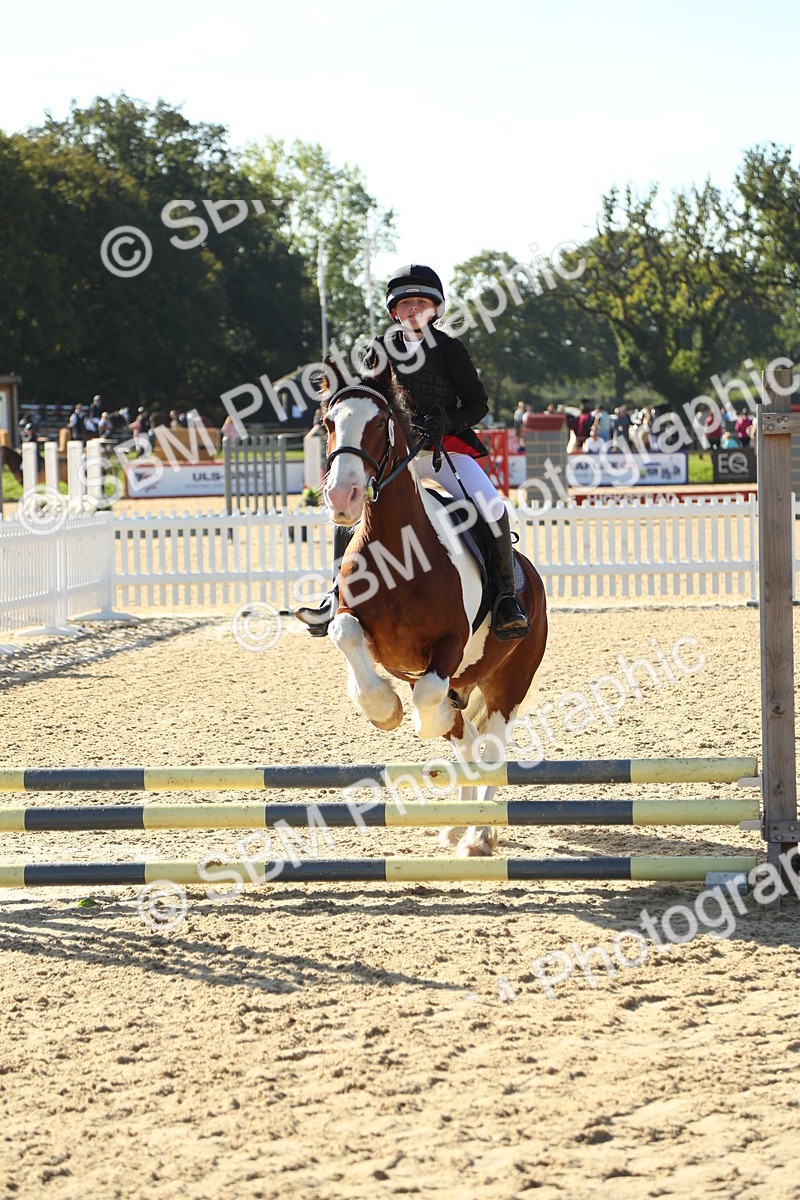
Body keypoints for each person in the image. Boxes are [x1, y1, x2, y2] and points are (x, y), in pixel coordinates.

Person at [296, 263, 530, 640]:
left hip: (442, 452)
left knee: (492, 507)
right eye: (406, 304)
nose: (413, 309)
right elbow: (363, 396)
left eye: (421, 302)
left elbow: (477, 404)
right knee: (350, 506)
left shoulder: (450, 350)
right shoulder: (379, 349)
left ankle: (506, 598)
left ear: (435, 309)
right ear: (394, 312)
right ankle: (336, 593)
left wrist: (447, 421)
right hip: (393, 456)